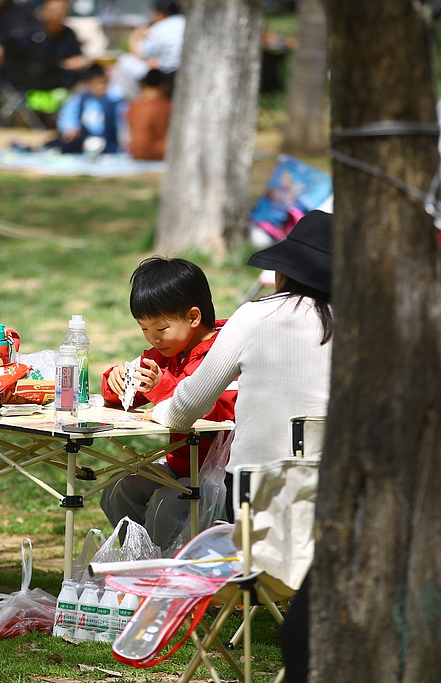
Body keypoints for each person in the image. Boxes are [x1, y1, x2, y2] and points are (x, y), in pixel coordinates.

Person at [148, 211, 333, 521]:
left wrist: (159, 409)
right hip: (340, 482)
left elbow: (186, 409)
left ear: (282, 273)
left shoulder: (253, 317)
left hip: (255, 489)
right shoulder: (364, 327)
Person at [100, 257, 237, 550]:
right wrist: (116, 381)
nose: (153, 339)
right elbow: (132, 393)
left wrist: (163, 388)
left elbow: (220, 413)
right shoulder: (169, 352)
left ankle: (166, 572)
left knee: (166, 501)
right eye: (144, 330)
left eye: (160, 329)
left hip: (218, 472)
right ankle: (140, 557)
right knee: (118, 489)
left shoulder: (224, 352)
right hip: (180, 465)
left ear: (193, 317)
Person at [0, 0, 88, 93]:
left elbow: (77, 59)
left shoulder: (69, 35)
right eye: (54, 11)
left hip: (58, 87)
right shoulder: (28, 34)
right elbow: (14, 55)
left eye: (62, 11)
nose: (58, 15)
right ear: (44, 12)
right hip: (27, 86)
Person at [108, 0, 185, 101]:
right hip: (181, 70)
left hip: (166, 74)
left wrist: (136, 34)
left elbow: (139, 53)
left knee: (125, 61)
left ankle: (127, 101)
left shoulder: (161, 27)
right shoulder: (185, 21)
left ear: (160, 13)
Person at [47, 64, 127, 154]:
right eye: (97, 83)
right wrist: (70, 129)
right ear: (88, 84)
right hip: (85, 143)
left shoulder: (115, 99)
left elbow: (122, 124)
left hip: (110, 144)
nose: (101, 86)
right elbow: (68, 116)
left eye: (103, 82)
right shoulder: (80, 99)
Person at [126, 68, 171, 161]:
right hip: (159, 153)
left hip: (135, 153)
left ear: (142, 85)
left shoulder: (133, 106)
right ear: (164, 86)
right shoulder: (165, 106)